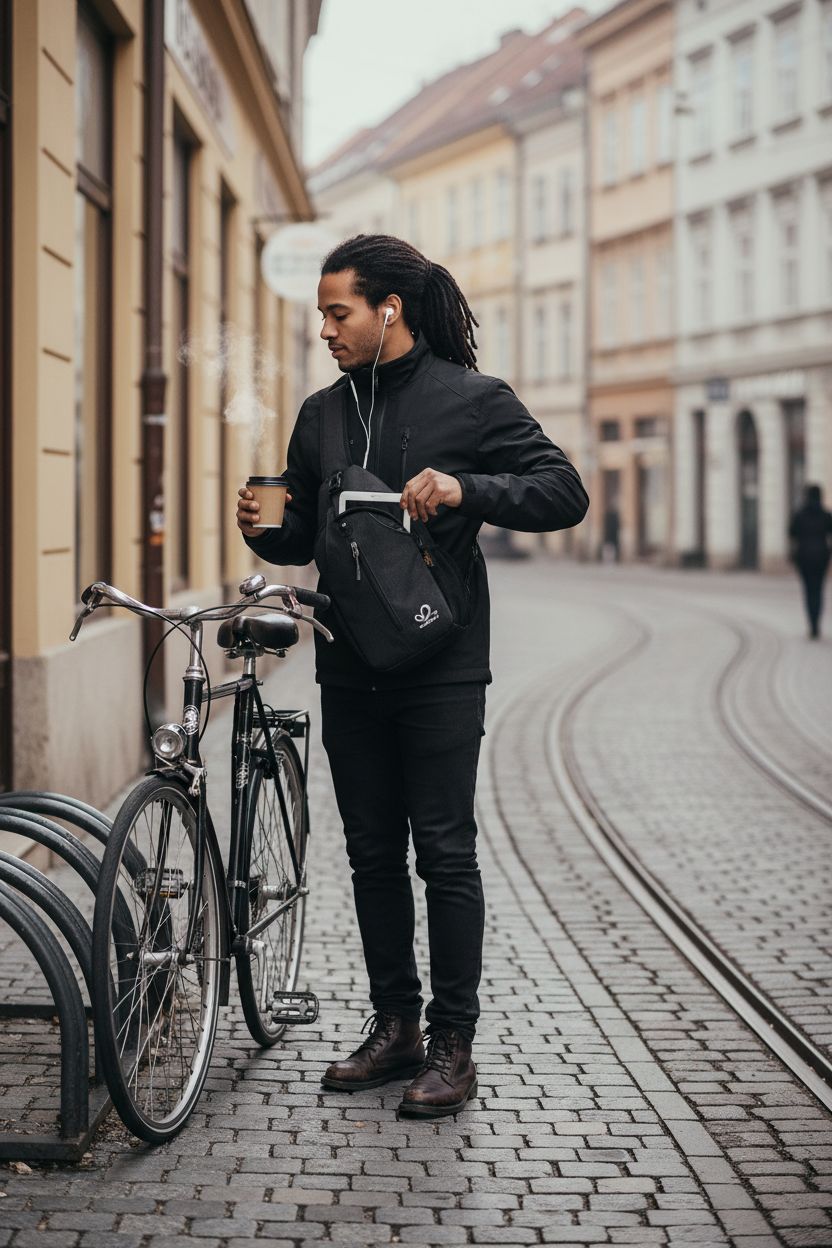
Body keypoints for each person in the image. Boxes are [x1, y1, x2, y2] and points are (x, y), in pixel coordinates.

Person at [236, 234, 588, 1119]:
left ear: (388, 308)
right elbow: (306, 536)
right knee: (368, 854)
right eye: (320, 314)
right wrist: (265, 528)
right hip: (350, 662)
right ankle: (394, 1026)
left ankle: (452, 1043)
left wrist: (467, 488)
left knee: (444, 850)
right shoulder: (321, 414)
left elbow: (563, 491)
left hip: (442, 667)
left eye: (337, 312)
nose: (325, 329)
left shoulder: (473, 401)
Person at [788, 483, 832, 639]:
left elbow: (791, 533)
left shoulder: (800, 515)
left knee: (808, 591)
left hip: (804, 557)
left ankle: (812, 624)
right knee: (818, 591)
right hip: (821, 557)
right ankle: (816, 624)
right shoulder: (826, 515)